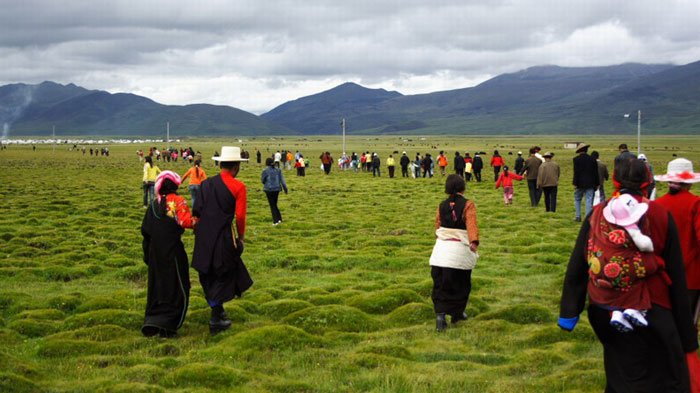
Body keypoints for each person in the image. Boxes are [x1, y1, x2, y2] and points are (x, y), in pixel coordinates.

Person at [559, 158, 697, 392]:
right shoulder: (660, 214)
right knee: (663, 371)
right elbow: (675, 275)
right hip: (652, 307)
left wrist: (570, 310)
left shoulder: (597, 212)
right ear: (647, 182)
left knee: (619, 365)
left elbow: (579, 263)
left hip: (604, 305)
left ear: (614, 180)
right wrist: (687, 334)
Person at [192, 146, 253, 334]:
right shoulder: (238, 187)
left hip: (203, 235)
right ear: (236, 167)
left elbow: (197, 211)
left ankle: (217, 311)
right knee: (223, 272)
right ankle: (215, 318)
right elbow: (240, 217)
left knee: (207, 272)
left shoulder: (205, 184)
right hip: (223, 236)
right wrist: (241, 237)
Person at [141, 171, 195, 337]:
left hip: (155, 251)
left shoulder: (154, 204)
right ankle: (169, 323)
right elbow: (186, 222)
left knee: (158, 285)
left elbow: (146, 230)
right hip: (173, 251)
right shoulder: (177, 201)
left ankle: (153, 320)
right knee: (177, 285)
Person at [429, 174, 479, 331]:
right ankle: (457, 313)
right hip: (458, 250)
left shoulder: (441, 205)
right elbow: (471, 223)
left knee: (440, 283)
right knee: (461, 282)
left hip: (441, 250)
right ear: (462, 187)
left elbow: (438, 225)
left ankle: (440, 316)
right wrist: (473, 241)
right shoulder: (468, 205)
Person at [655, 158, 700, 323]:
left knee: (666, 322)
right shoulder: (695, 204)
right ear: (689, 183)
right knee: (687, 323)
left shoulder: (657, 205)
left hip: (661, 275)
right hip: (690, 276)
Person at [573, 143, 600, 222]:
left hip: (579, 183)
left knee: (577, 199)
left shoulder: (576, 159)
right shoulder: (592, 159)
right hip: (590, 183)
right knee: (589, 200)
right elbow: (595, 173)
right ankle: (588, 218)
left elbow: (576, 172)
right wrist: (597, 183)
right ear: (586, 150)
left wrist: (575, 183)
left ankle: (578, 216)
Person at [261, 157, 288, 225]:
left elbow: (262, 181)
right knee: (275, 204)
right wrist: (285, 189)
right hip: (277, 189)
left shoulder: (265, 171)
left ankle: (275, 221)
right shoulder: (278, 170)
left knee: (272, 205)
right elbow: (283, 181)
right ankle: (279, 219)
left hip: (268, 190)